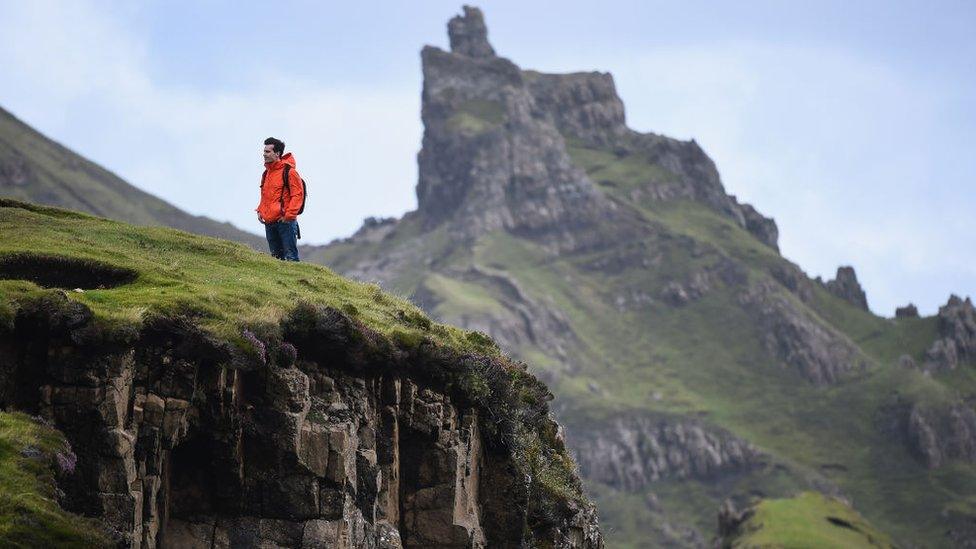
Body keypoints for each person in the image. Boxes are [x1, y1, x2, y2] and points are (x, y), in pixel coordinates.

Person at [256, 137, 304, 261]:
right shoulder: (266, 173)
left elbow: (298, 195)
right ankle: (280, 281)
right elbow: (265, 194)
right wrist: (260, 210)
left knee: (291, 257)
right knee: (276, 259)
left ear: (277, 153)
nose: (264, 154)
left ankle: (297, 280)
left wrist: (289, 216)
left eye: (267, 151)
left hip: (285, 222)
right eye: (264, 151)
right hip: (269, 222)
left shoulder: (289, 172)